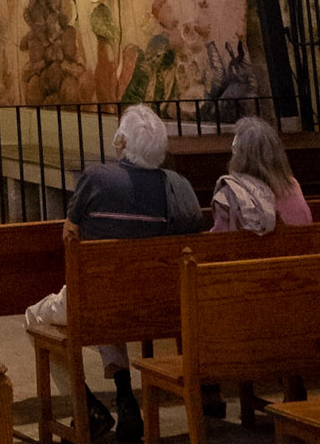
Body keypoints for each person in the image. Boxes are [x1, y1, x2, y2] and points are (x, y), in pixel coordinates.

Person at [24, 104, 204, 441]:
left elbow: (69, 235)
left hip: (102, 300)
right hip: (159, 304)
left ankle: (88, 407)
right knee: (109, 299)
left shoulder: (97, 179)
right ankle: (124, 394)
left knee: (36, 317)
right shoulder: (178, 187)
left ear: (121, 142)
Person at [209, 115, 312, 234]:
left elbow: (219, 239)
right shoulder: (292, 185)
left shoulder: (231, 192)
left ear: (240, 156)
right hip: (299, 249)